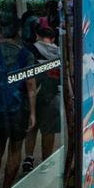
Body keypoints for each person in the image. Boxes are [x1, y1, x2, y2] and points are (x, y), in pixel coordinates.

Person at [0, 17, 37, 188]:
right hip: (18, 111)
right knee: (15, 150)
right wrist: (33, 113)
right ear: (19, 33)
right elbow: (30, 85)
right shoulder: (26, 55)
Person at [22, 26, 61, 172]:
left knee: (32, 127)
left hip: (33, 94)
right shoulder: (58, 52)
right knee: (49, 131)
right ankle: (46, 161)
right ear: (53, 39)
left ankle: (29, 158)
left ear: (37, 35)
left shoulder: (31, 49)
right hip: (52, 95)